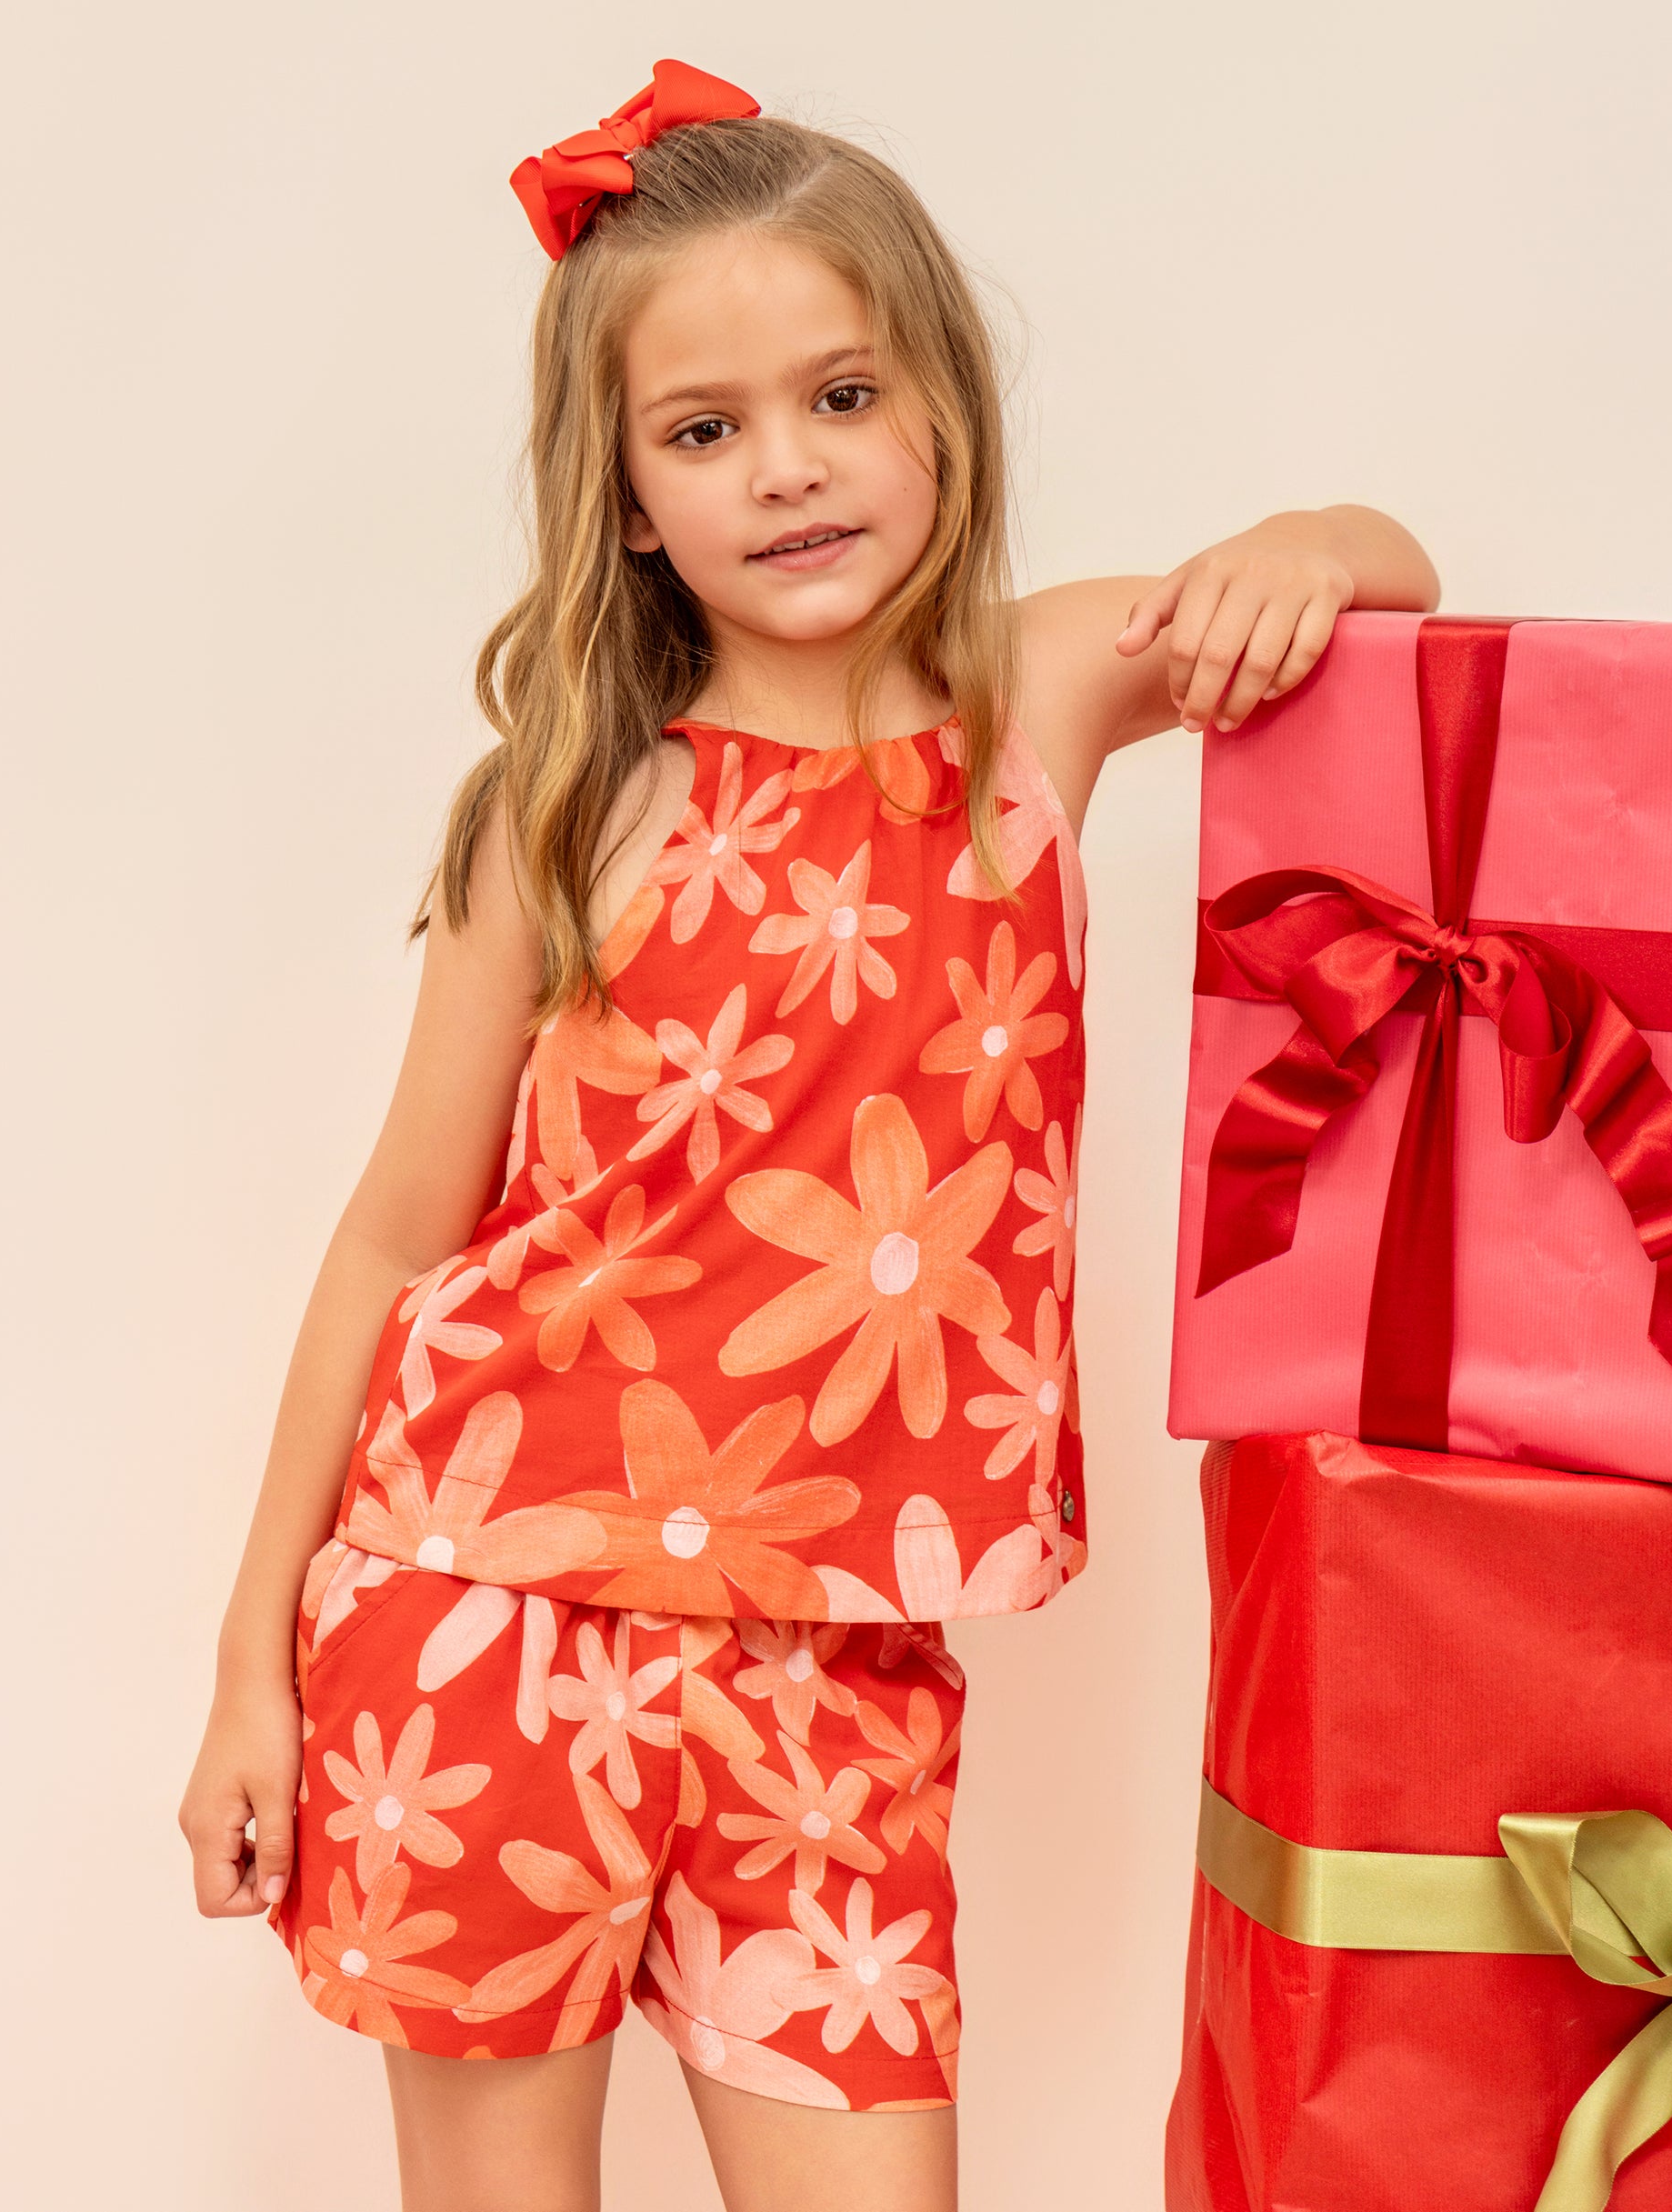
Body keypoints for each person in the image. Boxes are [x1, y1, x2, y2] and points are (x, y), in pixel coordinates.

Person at [177, 57, 1439, 2212]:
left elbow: (1388, 586)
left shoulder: (1033, 699)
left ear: (941, 399)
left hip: (839, 1654)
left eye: (841, 395)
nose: (785, 466)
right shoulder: (564, 810)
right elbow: (395, 1238)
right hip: (483, 1613)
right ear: (623, 497)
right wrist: (249, 1670)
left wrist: (1305, 543)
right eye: (702, 429)